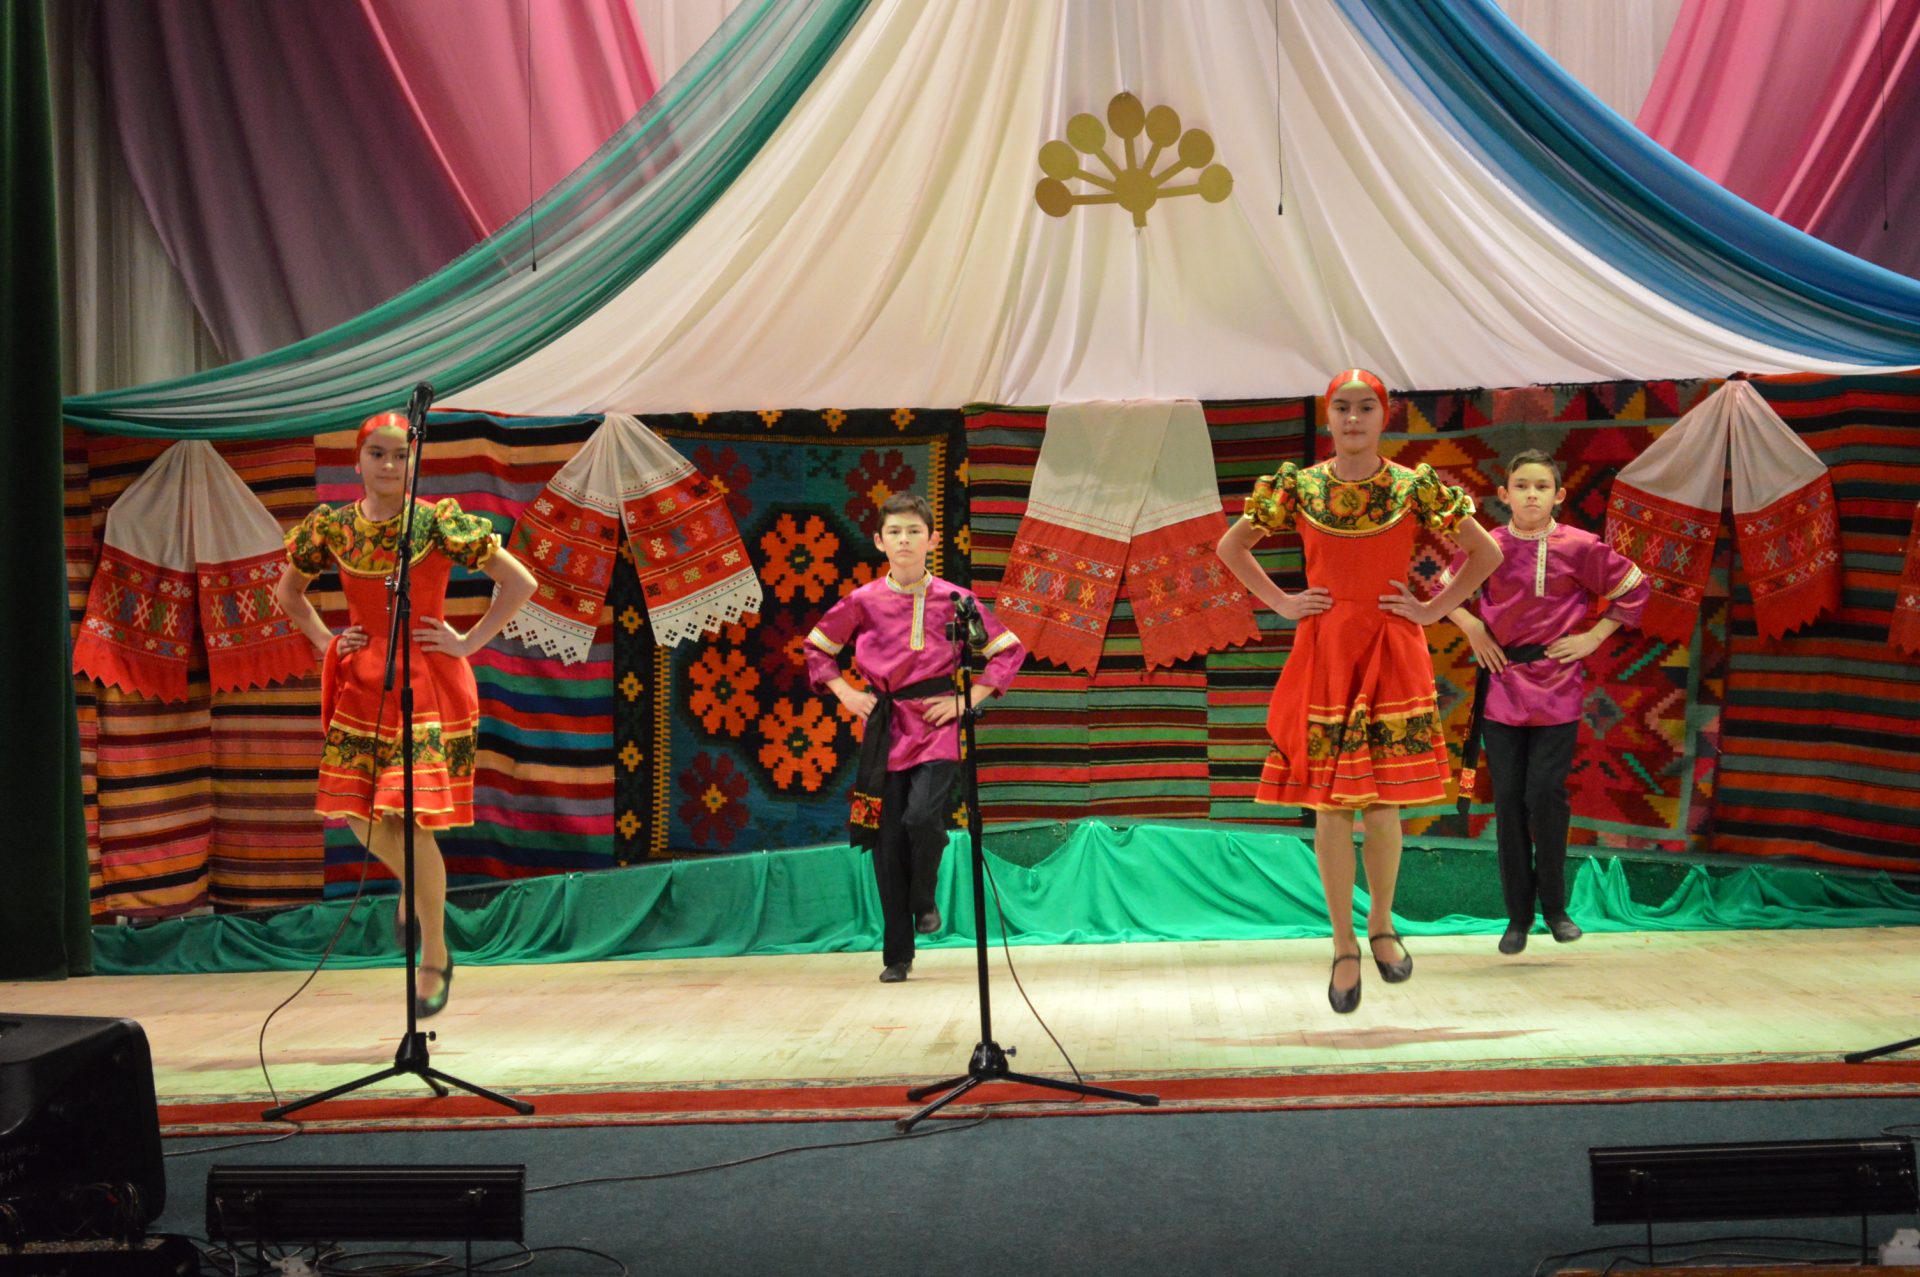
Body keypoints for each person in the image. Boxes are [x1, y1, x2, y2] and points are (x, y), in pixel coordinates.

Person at [1215, 369, 1503, 1013]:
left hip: (1390, 646)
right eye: (1342, 407)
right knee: (1331, 805)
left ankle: (1381, 922)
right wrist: (1283, 602)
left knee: (1383, 803)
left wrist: (1432, 610)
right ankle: (1343, 941)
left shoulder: (1412, 486)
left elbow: (1485, 554)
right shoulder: (1299, 486)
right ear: (1328, 416)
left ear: (1383, 415)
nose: (1352, 418)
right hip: (1326, 649)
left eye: (1365, 407)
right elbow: (1231, 546)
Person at [275, 411, 538, 1016]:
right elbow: (288, 593)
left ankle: (436, 953)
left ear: (414, 461)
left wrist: (468, 642)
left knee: (412, 821)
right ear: (358, 460)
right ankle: (414, 890)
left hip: (427, 683)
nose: (389, 465)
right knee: (357, 813)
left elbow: (518, 583)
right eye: (378, 454)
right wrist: (326, 642)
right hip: (364, 683)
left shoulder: (437, 522)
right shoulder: (334, 527)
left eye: (400, 454)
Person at [805, 492, 1026, 983]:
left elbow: (1007, 649)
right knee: (886, 840)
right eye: (895, 532)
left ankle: (924, 897)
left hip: (936, 725)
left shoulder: (956, 600)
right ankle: (897, 955)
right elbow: (818, 648)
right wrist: (845, 693)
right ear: (879, 541)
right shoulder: (861, 601)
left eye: (914, 531)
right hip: (884, 728)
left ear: (932, 539)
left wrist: (967, 701)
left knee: (923, 817)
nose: (904, 540)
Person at [1439, 449, 1649, 955]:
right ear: (1504, 494)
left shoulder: (1580, 546)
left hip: (1557, 688)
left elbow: (1635, 588)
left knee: (1546, 795)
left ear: (1559, 495)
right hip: (1502, 686)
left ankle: (1555, 908)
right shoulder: (1488, 545)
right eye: (1521, 486)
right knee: (1509, 800)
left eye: (1541, 487)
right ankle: (1517, 917)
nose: (1531, 495)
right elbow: (1444, 592)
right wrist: (1473, 629)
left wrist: (1593, 638)